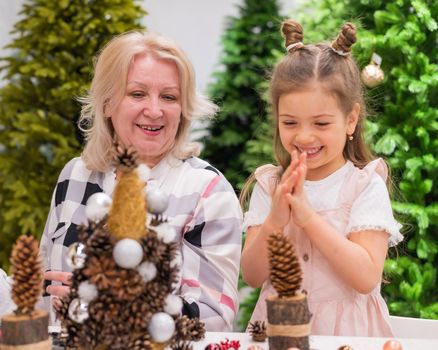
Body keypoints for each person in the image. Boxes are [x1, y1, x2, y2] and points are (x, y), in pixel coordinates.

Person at [40, 31, 243, 331]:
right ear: (107, 103)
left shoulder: (207, 191)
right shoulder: (75, 175)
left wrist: (111, 309)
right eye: (137, 93)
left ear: (183, 110)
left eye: (169, 97)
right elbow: (44, 283)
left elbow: (213, 317)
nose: (155, 110)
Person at [240, 20, 403, 337]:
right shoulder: (271, 185)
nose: (303, 136)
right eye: (290, 122)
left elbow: (366, 276)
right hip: (281, 333)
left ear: (350, 120)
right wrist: (276, 218)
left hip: (348, 337)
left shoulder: (364, 186)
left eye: (321, 123)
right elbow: (253, 275)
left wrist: (306, 217)